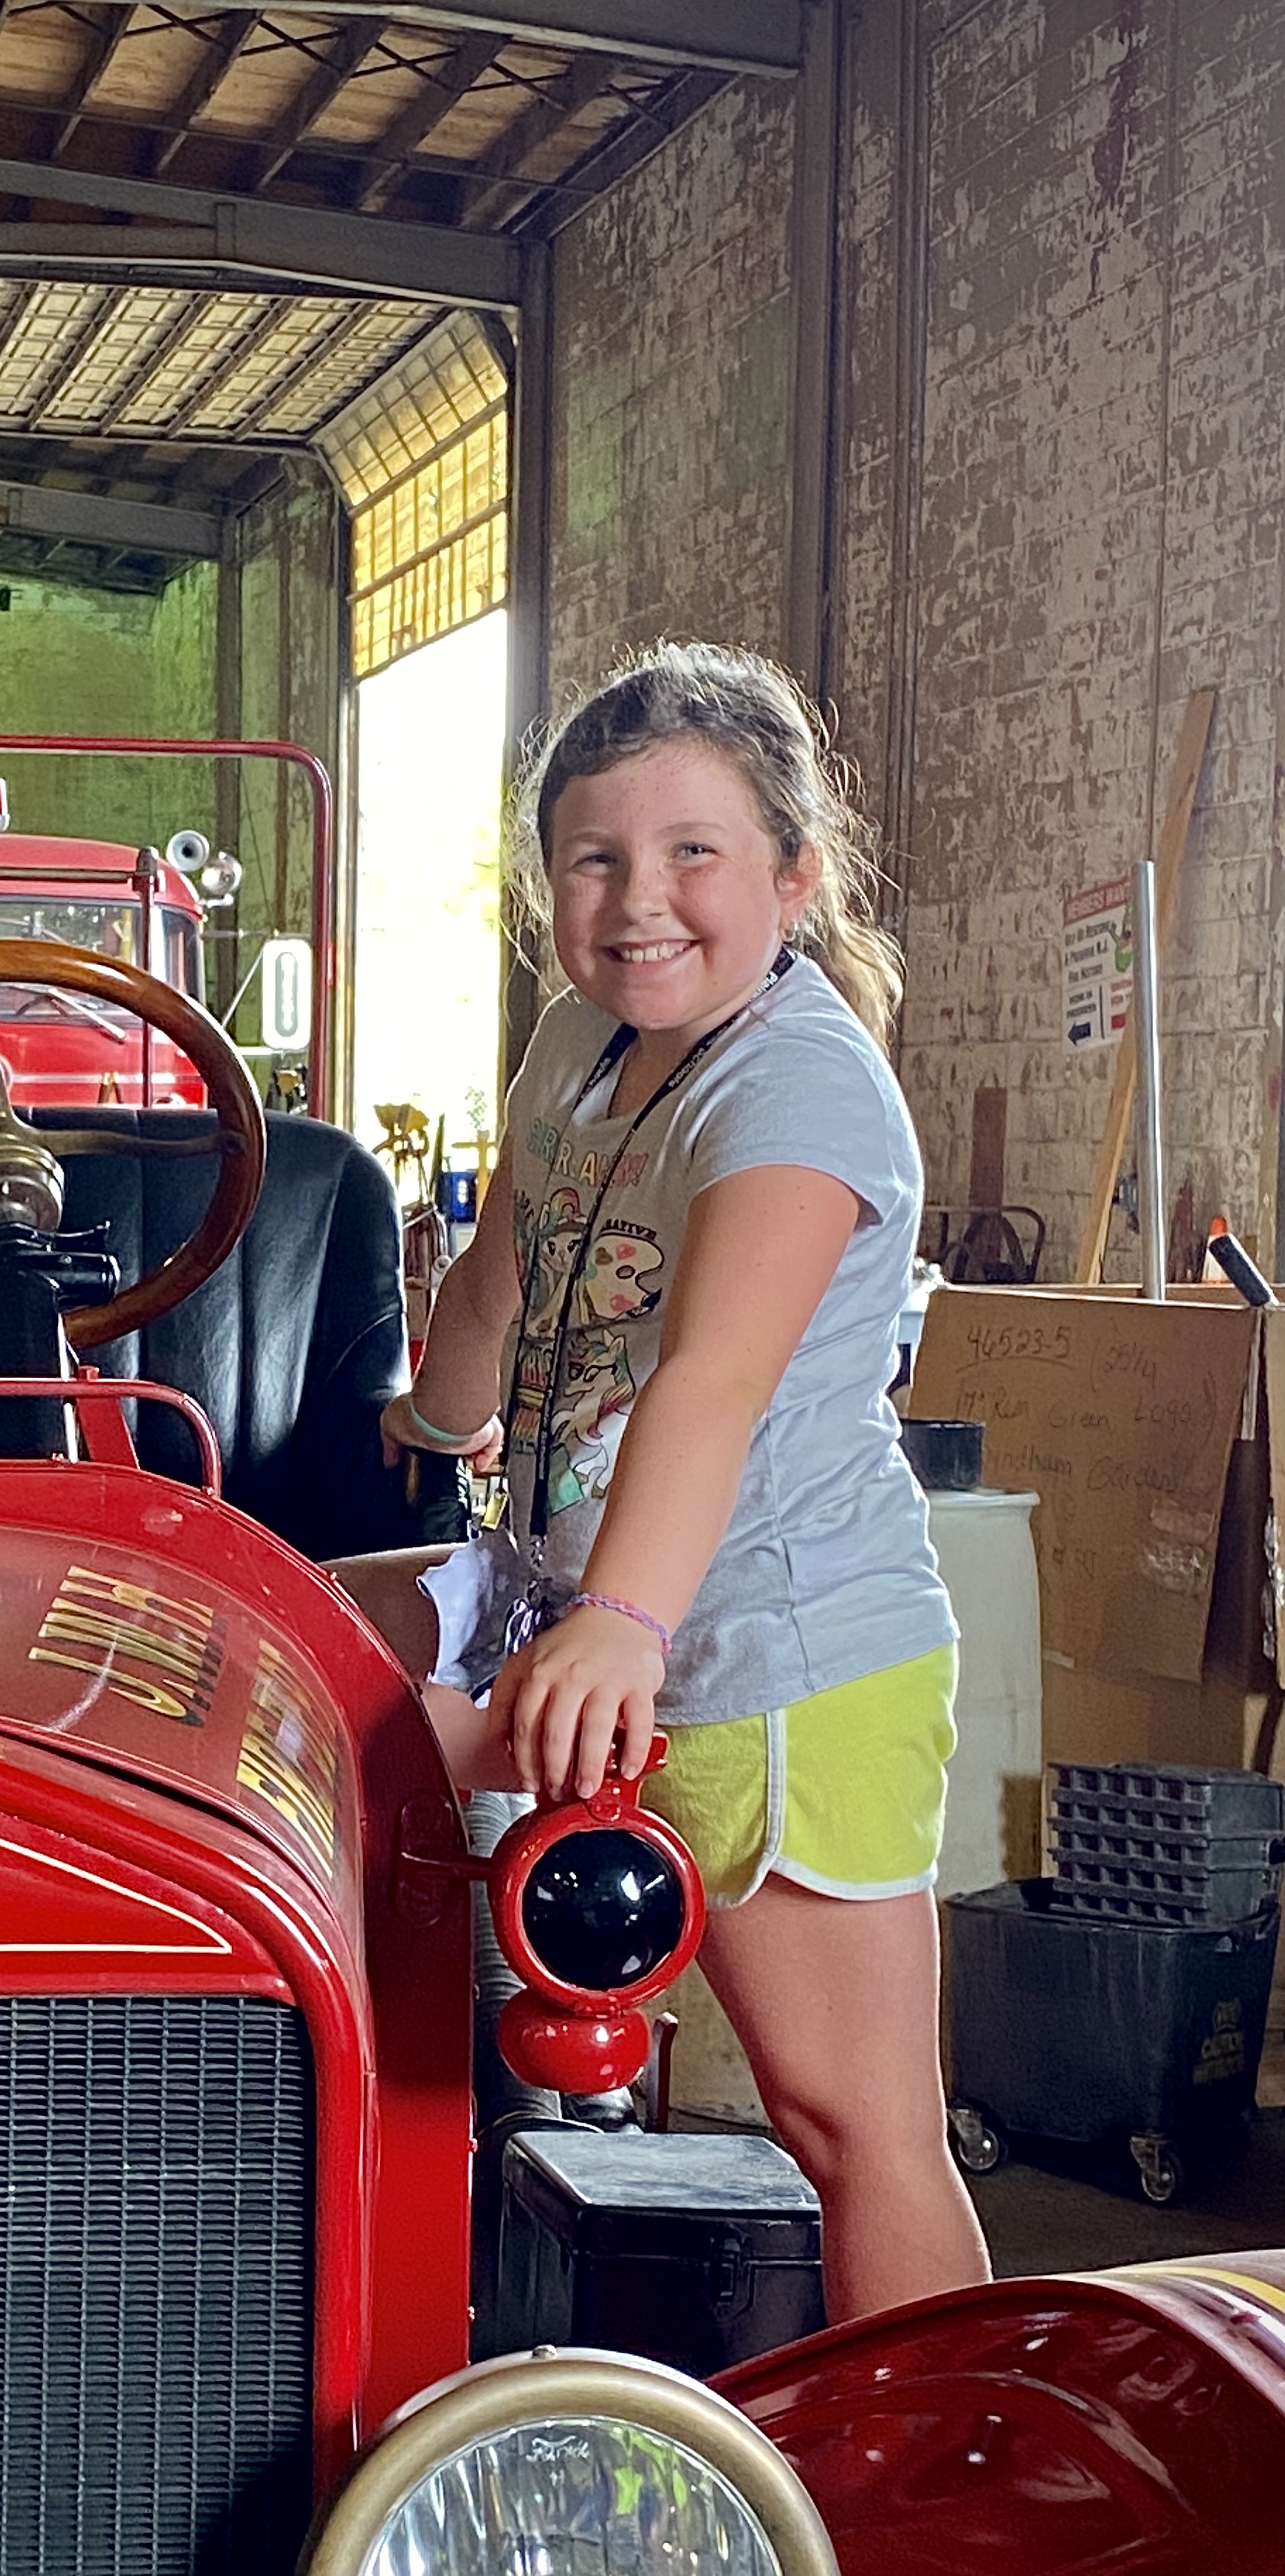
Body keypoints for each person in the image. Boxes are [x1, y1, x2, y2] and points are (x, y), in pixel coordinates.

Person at [335, 641, 991, 2325]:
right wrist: (434, 1418)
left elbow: (714, 1374)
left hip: (768, 1652)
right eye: (595, 858)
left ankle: (928, 2516)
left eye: (695, 853)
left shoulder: (799, 1085)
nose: (642, 901)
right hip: (577, 1604)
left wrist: (624, 1621)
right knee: (302, 1684)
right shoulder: (582, 1039)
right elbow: (504, 1257)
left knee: (854, 2130)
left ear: (795, 872)